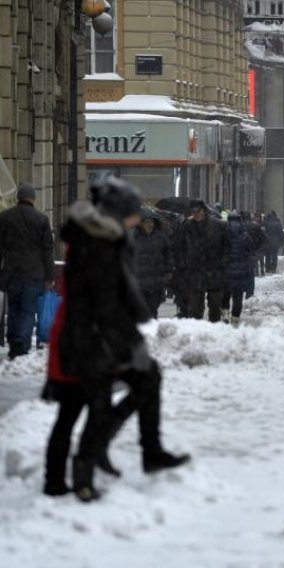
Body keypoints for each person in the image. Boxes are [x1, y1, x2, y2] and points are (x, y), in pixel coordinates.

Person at [50, 176, 189, 501]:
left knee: (147, 380)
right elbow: (102, 301)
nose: (136, 218)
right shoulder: (97, 243)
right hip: (90, 339)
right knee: (97, 405)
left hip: (106, 335)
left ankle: (148, 452)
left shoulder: (111, 238)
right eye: (131, 212)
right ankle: (82, 473)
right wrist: (129, 336)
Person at [0, 182, 55, 359]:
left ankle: (13, 342)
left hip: (11, 271)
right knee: (28, 309)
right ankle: (22, 345)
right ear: (33, 198)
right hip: (34, 273)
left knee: (14, 308)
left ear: (18, 198)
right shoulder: (41, 219)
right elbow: (48, 250)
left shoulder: (5, 217)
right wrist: (50, 275)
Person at [179, 199, 229, 322]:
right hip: (195, 271)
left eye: (198, 211)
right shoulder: (187, 226)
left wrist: (224, 262)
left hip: (214, 269)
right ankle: (197, 332)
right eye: (193, 211)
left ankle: (213, 331)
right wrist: (184, 263)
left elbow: (227, 246)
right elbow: (180, 247)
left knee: (215, 306)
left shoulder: (218, 225)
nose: (196, 214)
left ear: (204, 211)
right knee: (195, 308)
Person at [133, 209, 172, 319]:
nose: (150, 225)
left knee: (153, 311)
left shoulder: (161, 238)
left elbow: (168, 255)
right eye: (147, 222)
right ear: (140, 224)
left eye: (151, 222)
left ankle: (151, 332)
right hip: (139, 282)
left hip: (156, 282)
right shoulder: (133, 238)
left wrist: (168, 272)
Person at [222, 210, 254, 326]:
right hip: (241, 271)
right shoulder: (245, 235)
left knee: (225, 294)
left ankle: (225, 313)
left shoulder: (224, 233)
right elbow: (251, 250)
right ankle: (235, 318)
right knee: (237, 296)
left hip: (226, 270)